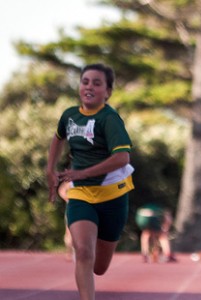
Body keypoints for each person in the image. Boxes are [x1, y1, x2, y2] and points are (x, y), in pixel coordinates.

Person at [46, 63, 135, 300]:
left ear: (107, 92)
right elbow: (58, 138)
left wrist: (83, 173)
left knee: (99, 267)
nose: (89, 87)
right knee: (83, 252)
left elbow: (122, 157)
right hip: (81, 194)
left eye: (97, 83)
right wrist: (50, 169)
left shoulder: (110, 119)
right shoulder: (69, 115)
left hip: (112, 196)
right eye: (85, 81)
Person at [58, 180, 74, 261]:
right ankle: (69, 252)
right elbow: (61, 190)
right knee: (69, 231)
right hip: (71, 208)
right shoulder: (69, 180)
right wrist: (68, 198)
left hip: (84, 208)